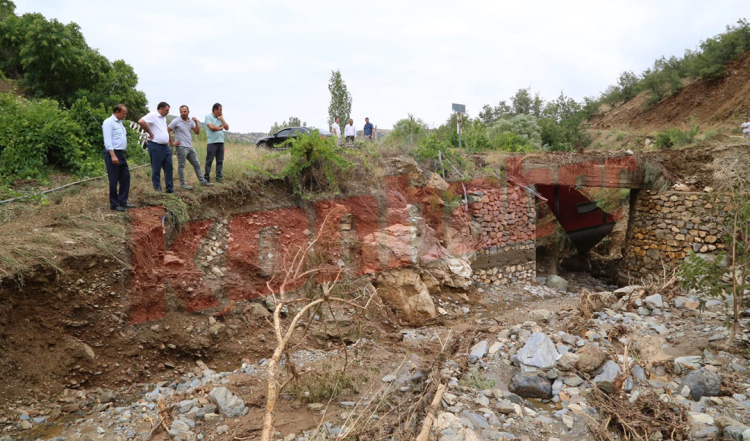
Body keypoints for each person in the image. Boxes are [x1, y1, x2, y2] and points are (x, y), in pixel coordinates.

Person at [168, 105, 213, 190]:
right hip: (181, 147)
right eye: (181, 112)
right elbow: (167, 130)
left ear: (188, 112)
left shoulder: (191, 121)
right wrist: (172, 142)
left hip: (189, 146)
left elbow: (197, 132)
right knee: (181, 165)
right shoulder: (176, 121)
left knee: (196, 164)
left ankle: (202, 181)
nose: (183, 113)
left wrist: (196, 122)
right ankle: (182, 184)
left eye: (185, 111)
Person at [102, 104, 134, 211]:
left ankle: (122, 201)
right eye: (123, 113)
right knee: (114, 179)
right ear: (117, 112)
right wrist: (112, 155)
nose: (125, 115)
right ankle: (114, 204)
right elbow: (108, 140)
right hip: (113, 153)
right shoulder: (109, 122)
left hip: (121, 153)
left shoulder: (120, 123)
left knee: (125, 177)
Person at [138, 102, 173, 193]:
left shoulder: (163, 118)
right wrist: (149, 132)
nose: (167, 112)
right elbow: (141, 121)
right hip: (155, 145)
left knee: (169, 167)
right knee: (156, 168)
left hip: (165, 146)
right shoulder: (153, 115)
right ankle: (157, 188)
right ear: (161, 108)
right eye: (166, 110)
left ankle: (170, 188)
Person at [204, 103, 229, 183]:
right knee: (209, 160)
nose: (221, 111)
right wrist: (220, 127)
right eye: (220, 110)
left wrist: (222, 120)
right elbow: (211, 127)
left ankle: (219, 177)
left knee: (220, 160)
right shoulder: (208, 117)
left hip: (221, 142)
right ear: (215, 110)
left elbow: (227, 128)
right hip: (212, 143)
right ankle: (207, 177)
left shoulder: (220, 118)